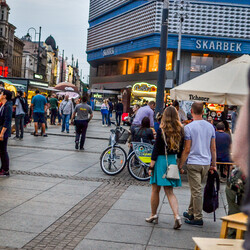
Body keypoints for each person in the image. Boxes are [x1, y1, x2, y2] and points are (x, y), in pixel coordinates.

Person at [179, 102, 216, 226]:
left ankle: (198, 217)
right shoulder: (210, 126)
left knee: (196, 191)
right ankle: (191, 211)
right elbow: (213, 148)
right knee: (196, 188)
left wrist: (180, 164)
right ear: (203, 111)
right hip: (206, 162)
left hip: (194, 162)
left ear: (191, 111)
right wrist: (213, 164)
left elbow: (187, 148)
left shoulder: (189, 127)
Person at [147, 106, 184, 229]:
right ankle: (177, 216)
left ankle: (153, 214)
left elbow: (156, 150)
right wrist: (179, 165)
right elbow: (181, 150)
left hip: (161, 161)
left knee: (155, 189)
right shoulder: (180, 130)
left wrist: (151, 167)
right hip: (172, 160)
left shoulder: (161, 130)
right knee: (170, 191)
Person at [0, 90, 13, 176]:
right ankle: (3, 168)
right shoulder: (3, 105)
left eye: (1, 93)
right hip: (1, 130)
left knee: (3, 150)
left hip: (3, 131)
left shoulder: (8, 106)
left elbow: (7, 120)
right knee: (1, 151)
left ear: (4, 96)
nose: (0, 95)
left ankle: (6, 169)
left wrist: (2, 133)